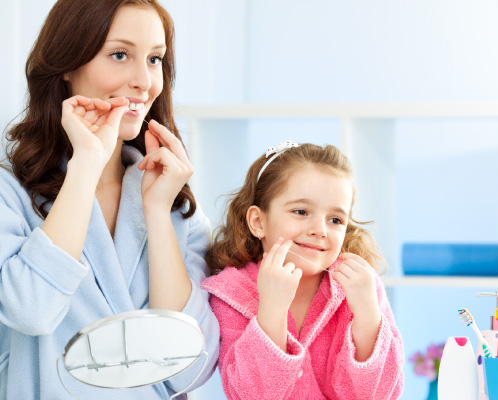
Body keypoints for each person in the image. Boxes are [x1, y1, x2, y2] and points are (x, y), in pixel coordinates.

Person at [0, 0, 219, 398]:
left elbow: (191, 369)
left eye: (155, 59)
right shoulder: (9, 194)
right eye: (120, 55)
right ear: (68, 64)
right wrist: (86, 164)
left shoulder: (174, 204)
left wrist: (156, 211)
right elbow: (30, 310)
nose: (144, 81)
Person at [202, 141, 405, 399]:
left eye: (335, 220)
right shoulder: (232, 293)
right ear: (258, 221)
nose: (320, 229)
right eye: (301, 211)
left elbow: (380, 394)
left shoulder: (361, 287)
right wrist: (272, 309)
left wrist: (367, 315)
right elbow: (250, 395)